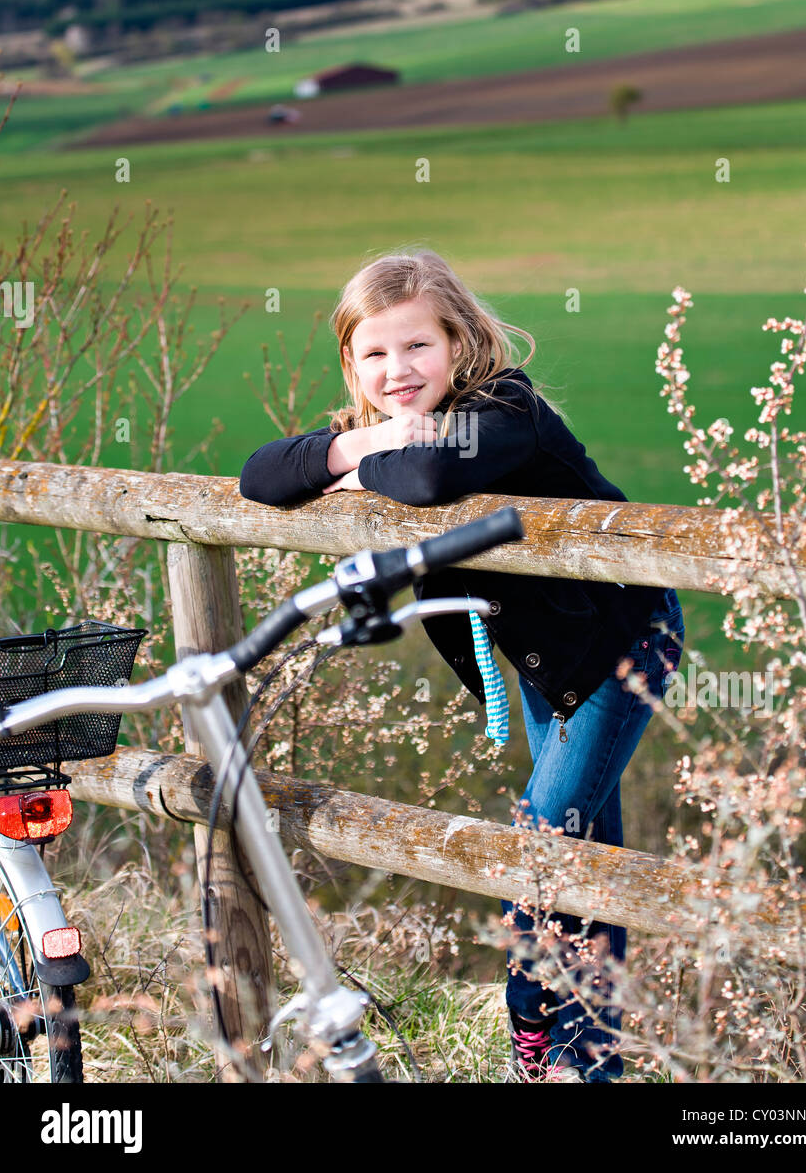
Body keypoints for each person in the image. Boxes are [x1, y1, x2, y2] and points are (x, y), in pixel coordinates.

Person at [239, 248, 685, 1083]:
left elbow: (434, 472)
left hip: (623, 638)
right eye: (374, 353)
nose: (397, 370)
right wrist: (365, 445)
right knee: (582, 846)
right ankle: (595, 1056)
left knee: (542, 845)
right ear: (351, 362)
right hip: (551, 658)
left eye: (417, 347)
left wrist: (357, 463)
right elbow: (260, 475)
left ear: (460, 340)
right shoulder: (388, 423)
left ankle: (542, 1037)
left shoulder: (505, 406)